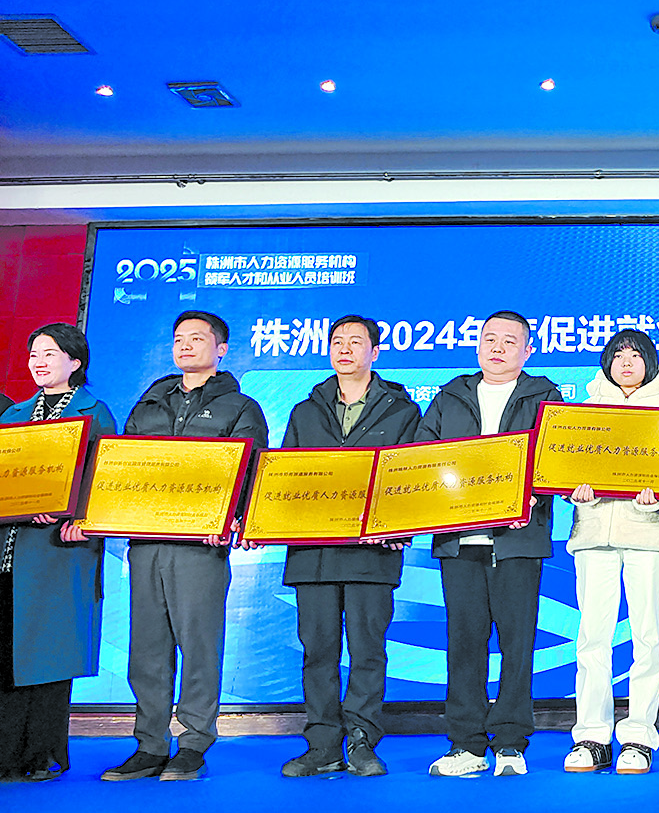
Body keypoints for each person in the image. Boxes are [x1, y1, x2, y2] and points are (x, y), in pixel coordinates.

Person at [101, 311, 269, 782]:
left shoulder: (240, 407)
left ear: (221, 349)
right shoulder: (150, 403)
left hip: (200, 545)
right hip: (147, 542)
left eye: (197, 338)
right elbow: (123, 466)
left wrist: (230, 518)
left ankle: (194, 743)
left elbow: (250, 470)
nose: (186, 345)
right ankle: (149, 744)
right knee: (146, 648)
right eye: (179, 339)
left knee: (198, 646)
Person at [275, 315, 421, 778]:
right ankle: (322, 744)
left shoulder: (402, 412)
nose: (344, 349)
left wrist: (397, 527)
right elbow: (284, 480)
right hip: (313, 554)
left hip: (372, 551)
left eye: (356, 342)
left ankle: (361, 740)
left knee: (367, 651)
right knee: (317, 652)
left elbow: (411, 480)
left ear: (374, 353)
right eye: (337, 341)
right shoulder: (305, 411)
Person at [416, 311, 561, 777]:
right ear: (478, 345)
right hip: (460, 542)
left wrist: (532, 495)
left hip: (518, 541)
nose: (497, 348)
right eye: (489, 339)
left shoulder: (545, 396)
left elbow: (555, 459)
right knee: (464, 643)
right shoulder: (450, 397)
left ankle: (511, 744)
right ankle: (467, 745)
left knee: (517, 646)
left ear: (527, 350)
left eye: (509, 341)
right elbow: (421, 459)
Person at [563, 329, 659, 776]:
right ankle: (591, 737)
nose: (626, 362)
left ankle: (638, 737)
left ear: (650, 362)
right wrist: (576, 491)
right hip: (594, 534)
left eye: (635, 354)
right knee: (592, 639)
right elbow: (566, 468)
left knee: (648, 638)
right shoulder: (584, 412)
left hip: (649, 535)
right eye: (618, 355)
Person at [0, 325, 116, 782]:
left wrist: (79, 516)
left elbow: (104, 476)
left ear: (75, 361)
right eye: (34, 354)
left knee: (48, 654)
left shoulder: (94, 412)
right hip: (12, 547)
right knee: (8, 653)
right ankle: (7, 753)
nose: (39, 361)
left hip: (59, 548)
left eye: (50, 353)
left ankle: (42, 754)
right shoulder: (14, 414)